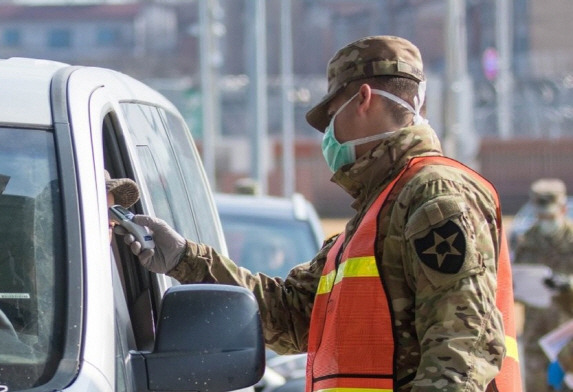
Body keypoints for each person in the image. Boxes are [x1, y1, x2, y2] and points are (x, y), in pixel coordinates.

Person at [117, 36, 521, 391]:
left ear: (362, 99)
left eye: (330, 117)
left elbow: (462, 343)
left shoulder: (433, 194)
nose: (328, 134)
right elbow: (292, 316)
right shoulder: (379, 209)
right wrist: (185, 259)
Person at [513, 178, 573, 391]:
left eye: (550, 215)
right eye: (540, 215)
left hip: (567, 336)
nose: (544, 220)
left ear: (563, 209)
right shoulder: (525, 241)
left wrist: (568, 284)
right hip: (535, 334)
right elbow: (516, 283)